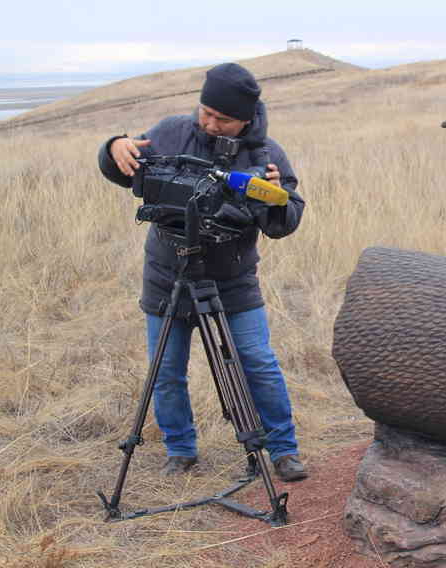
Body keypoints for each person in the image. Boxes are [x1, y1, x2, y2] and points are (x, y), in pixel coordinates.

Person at [97, 63, 308, 481]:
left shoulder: (267, 155)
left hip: (232, 280)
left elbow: (286, 222)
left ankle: (283, 450)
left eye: (223, 119)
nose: (210, 124)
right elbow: (124, 172)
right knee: (166, 369)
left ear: (246, 118)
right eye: (205, 113)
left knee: (257, 362)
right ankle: (181, 451)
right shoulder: (171, 132)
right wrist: (113, 147)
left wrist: (276, 199)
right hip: (166, 276)